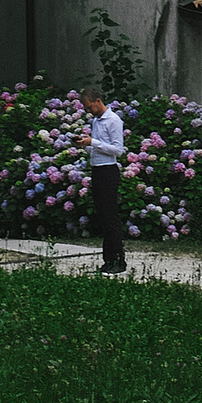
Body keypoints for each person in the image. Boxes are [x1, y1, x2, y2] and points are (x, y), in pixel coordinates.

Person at [83, 89, 128, 274]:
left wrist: (93, 142)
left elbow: (118, 150)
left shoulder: (113, 120)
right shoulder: (95, 121)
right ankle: (108, 259)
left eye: (89, 106)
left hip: (109, 170)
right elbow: (98, 148)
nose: (88, 111)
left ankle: (118, 259)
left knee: (110, 217)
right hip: (97, 169)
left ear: (98, 101)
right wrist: (85, 145)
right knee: (103, 216)